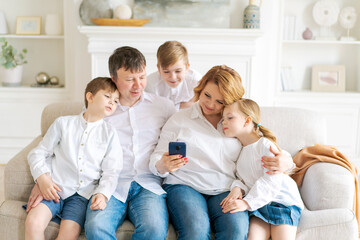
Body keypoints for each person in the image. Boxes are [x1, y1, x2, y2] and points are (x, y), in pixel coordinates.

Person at [149, 65, 295, 240]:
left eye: (220, 102)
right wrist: (162, 165)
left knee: (235, 231)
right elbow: (156, 158)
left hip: (226, 188)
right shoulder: (179, 119)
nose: (210, 105)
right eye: (207, 95)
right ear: (200, 89)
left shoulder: (235, 122)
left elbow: (261, 145)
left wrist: (286, 160)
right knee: (196, 230)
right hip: (184, 185)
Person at [25, 77, 123, 240]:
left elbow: (111, 172)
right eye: (107, 97)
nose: (112, 103)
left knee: (68, 236)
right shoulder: (63, 124)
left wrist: (103, 194)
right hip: (54, 188)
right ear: (90, 97)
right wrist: (42, 178)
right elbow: (38, 153)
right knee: (33, 223)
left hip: (82, 197)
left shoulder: (110, 133)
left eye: (116, 101)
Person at [220, 98, 304, 240]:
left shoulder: (264, 145)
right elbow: (243, 179)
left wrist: (247, 203)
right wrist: (237, 188)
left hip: (281, 203)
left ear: (247, 121)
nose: (223, 122)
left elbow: (271, 180)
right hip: (259, 206)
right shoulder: (240, 151)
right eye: (222, 118)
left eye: (229, 118)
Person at [145, 40, 202, 110]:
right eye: (166, 72)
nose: (173, 77)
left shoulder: (196, 81)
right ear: (159, 69)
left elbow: (200, 105)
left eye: (178, 71)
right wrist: (182, 105)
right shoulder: (151, 83)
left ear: (187, 68)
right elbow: (151, 109)